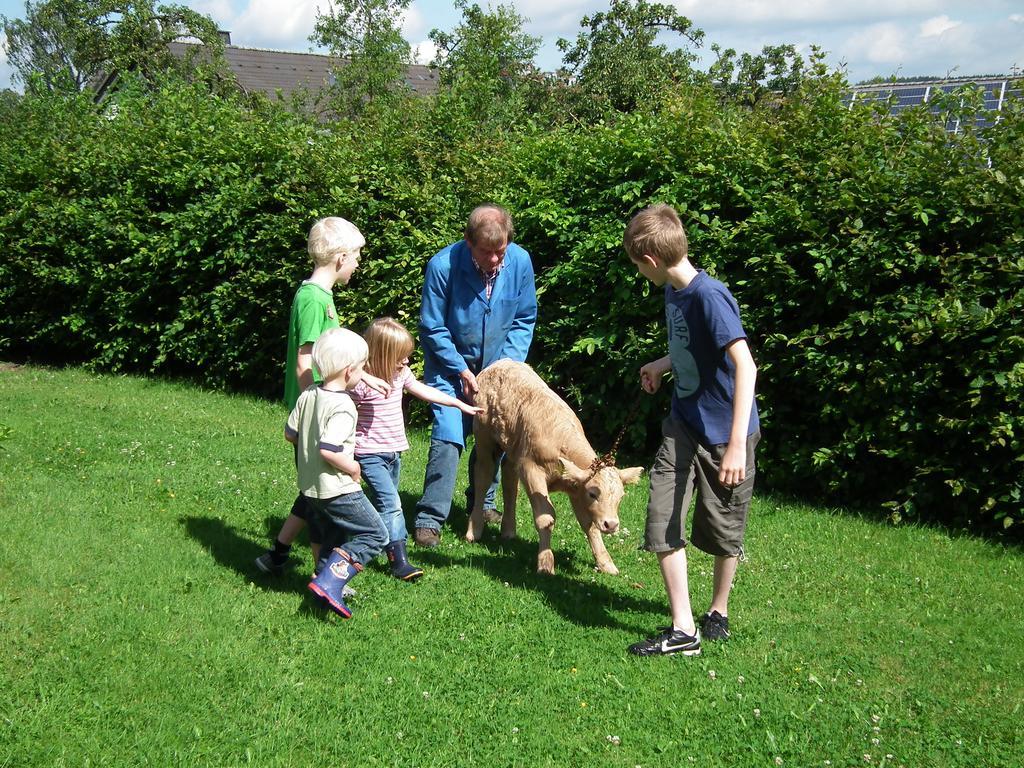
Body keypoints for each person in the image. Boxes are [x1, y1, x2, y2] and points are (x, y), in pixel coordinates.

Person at [622, 203, 760, 657]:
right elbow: (694, 350)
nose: (640, 275)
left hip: (725, 434)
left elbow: (746, 366)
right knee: (662, 516)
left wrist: (737, 444)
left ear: (651, 261)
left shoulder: (709, 296)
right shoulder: (674, 292)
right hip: (683, 425)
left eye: (638, 267)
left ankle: (717, 609)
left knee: (724, 526)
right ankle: (684, 629)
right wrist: (662, 366)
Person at [256, 217, 389, 577]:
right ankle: (324, 574)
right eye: (357, 256)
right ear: (341, 257)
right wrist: (314, 405)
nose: (359, 263)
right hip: (316, 410)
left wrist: (365, 378)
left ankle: (279, 555)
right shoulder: (314, 299)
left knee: (314, 488)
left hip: (317, 406)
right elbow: (306, 358)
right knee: (323, 495)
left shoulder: (318, 294)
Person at [412, 204, 538, 548]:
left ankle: (481, 505)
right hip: (451, 370)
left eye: (501, 250)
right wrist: (462, 370)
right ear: (468, 241)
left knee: (495, 438)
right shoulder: (442, 266)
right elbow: (432, 326)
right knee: (449, 437)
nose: (496, 259)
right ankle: (430, 518)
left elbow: (524, 318)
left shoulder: (520, 261)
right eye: (487, 252)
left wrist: (503, 370)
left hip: (497, 372)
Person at [349, 317, 483, 579]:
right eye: (402, 356)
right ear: (383, 354)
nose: (407, 361)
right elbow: (340, 411)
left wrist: (459, 404)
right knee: (392, 504)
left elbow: (424, 390)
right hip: (368, 454)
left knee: (383, 503)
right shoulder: (362, 385)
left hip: (393, 454)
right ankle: (398, 559)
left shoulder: (399, 375)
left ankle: (363, 537)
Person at [289, 327, 388, 619]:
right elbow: (329, 450)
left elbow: (290, 433)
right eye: (361, 368)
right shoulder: (343, 406)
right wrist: (354, 466)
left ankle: (321, 581)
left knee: (332, 531)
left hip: (310, 486)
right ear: (348, 371)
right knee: (374, 534)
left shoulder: (309, 393)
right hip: (338, 488)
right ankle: (332, 582)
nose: (362, 373)